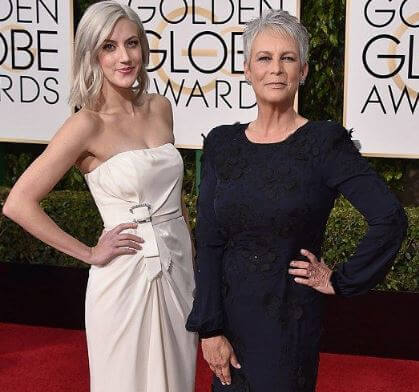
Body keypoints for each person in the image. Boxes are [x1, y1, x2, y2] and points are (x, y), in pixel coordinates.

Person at [186, 9, 407, 392]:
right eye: (264, 58)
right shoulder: (222, 143)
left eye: (287, 58)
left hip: (289, 323)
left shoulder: (324, 143)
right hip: (229, 326)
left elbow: (390, 218)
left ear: (302, 71)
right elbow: (209, 241)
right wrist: (209, 328)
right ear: (247, 70)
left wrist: (341, 279)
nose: (276, 69)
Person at [3, 2, 197, 391]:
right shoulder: (85, 124)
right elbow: (18, 203)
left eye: (131, 43)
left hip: (179, 272)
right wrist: (89, 253)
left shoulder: (161, 108)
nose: (124, 57)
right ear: (92, 55)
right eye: (109, 47)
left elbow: (174, 204)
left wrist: (196, 264)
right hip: (124, 279)